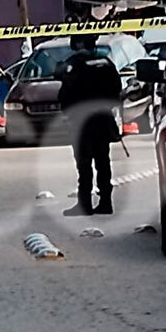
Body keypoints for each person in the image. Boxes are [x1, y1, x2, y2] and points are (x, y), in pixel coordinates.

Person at [57, 34, 122, 216]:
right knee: (103, 161)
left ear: (78, 43)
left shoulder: (75, 64)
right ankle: (106, 202)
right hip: (103, 118)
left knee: (84, 163)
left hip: (82, 120)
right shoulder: (106, 62)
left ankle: (84, 204)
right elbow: (117, 88)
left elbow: (65, 90)